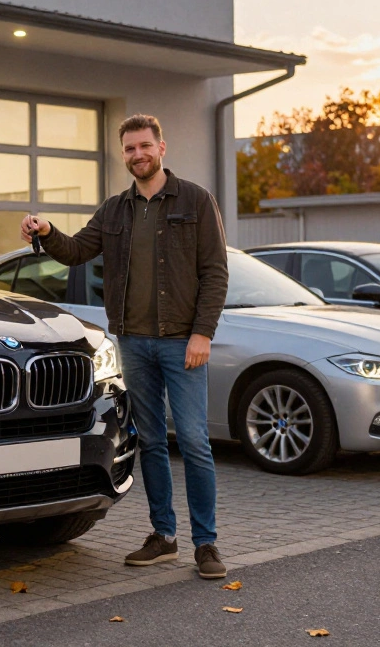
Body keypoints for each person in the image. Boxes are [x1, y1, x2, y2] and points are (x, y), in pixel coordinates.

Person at [20, 114, 229, 579]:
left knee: (194, 442)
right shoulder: (115, 210)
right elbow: (76, 251)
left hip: (182, 343)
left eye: (144, 146)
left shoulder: (195, 200)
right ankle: (164, 537)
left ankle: (207, 543)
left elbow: (215, 271)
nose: (138, 155)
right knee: (152, 442)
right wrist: (48, 231)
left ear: (162, 147)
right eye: (130, 149)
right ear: (124, 155)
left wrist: (203, 332)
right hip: (134, 342)